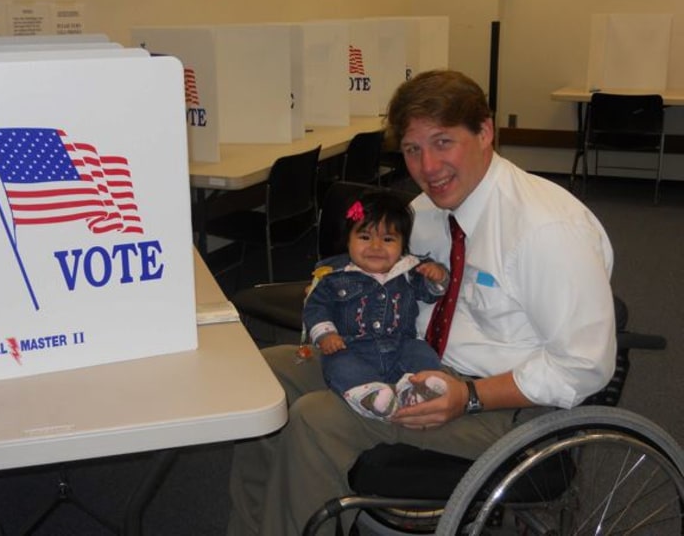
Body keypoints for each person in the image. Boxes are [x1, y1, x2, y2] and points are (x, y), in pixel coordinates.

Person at [226, 69, 617, 536]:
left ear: (485, 132)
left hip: (507, 405)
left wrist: (469, 396)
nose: (428, 167)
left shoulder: (545, 230)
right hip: (408, 361)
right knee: (265, 374)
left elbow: (584, 365)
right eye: (413, 149)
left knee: (315, 419)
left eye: (443, 142)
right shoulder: (428, 213)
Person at [302, 189, 450, 420]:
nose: (376, 247)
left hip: (401, 344)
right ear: (348, 240)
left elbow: (431, 295)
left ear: (403, 245)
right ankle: (371, 396)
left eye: (388, 239)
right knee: (338, 365)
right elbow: (316, 306)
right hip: (351, 348)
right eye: (365, 237)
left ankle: (415, 389)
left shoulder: (409, 271)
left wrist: (438, 276)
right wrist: (325, 335)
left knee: (423, 353)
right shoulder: (335, 276)